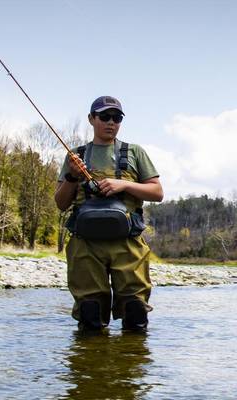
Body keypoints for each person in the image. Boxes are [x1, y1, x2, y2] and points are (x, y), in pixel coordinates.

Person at [55, 95, 163, 332]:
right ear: (91, 119)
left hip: (128, 244)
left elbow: (157, 192)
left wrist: (122, 185)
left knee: (135, 312)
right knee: (90, 313)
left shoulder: (135, 152)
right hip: (85, 246)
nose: (110, 122)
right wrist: (73, 176)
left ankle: (131, 365)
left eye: (117, 117)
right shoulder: (75, 156)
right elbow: (61, 203)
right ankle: (90, 367)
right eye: (104, 116)